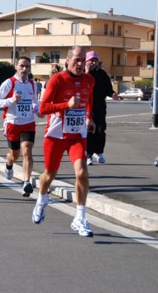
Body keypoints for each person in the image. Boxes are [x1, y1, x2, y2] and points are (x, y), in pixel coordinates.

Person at [33, 46, 96, 237]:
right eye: (76, 59)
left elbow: (88, 99)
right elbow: (42, 109)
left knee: (82, 173)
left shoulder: (89, 80)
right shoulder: (57, 79)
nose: (80, 63)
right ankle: (42, 199)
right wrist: (65, 105)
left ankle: (80, 218)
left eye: (82, 60)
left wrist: (89, 116)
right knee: (49, 175)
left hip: (77, 134)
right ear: (67, 61)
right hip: (56, 134)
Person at [0, 56, 41, 197]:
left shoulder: (32, 84)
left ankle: (26, 182)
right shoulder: (9, 83)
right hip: (13, 123)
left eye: (27, 66)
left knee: (27, 150)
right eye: (22, 66)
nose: (24, 69)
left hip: (28, 122)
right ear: (16, 66)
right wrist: (11, 100)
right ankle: (9, 164)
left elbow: (34, 102)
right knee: (14, 155)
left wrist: (38, 111)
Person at [84, 51, 118, 165]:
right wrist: (87, 72)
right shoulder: (83, 74)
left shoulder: (102, 74)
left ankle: (99, 152)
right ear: (86, 61)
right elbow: (82, 85)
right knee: (89, 131)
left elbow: (108, 89)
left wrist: (113, 94)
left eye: (95, 60)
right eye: (90, 60)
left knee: (100, 130)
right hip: (86, 106)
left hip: (100, 106)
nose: (93, 63)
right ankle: (88, 154)